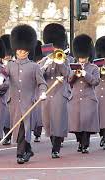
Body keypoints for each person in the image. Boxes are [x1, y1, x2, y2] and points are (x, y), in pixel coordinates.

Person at [5, 24, 47, 164]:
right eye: (19, 50)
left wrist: (42, 93)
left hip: (28, 102)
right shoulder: (10, 65)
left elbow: (42, 83)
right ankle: (28, 150)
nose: (21, 52)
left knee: (24, 128)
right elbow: (3, 76)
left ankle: (20, 154)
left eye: (24, 50)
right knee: (18, 129)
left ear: (28, 51)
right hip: (14, 103)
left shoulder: (34, 66)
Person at [40, 23, 70, 158]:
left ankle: (56, 148)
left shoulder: (65, 59)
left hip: (60, 93)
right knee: (48, 122)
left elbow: (67, 73)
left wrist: (60, 62)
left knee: (58, 121)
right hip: (47, 94)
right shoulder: (44, 60)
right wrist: (45, 65)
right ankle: (54, 142)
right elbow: (38, 76)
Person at [68, 34, 100, 154]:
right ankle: (80, 142)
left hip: (88, 99)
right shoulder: (73, 67)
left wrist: (85, 74)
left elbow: (96, 81)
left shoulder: (93, 68)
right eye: (80, 57)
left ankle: (85, 145)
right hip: (75, 98)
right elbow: (69, 81)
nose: (81, 59)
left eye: (84, 57)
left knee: (86, 123)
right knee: (77, 125)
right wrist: (75, 74)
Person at [0, 34, 13, 145]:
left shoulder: (13, 64)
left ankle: (10, 135)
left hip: (11, 93)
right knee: (4, 117)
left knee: (10, 117)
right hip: (1, 94)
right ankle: (6, 135)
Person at [31, 40, 44, 143]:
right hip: (30, 90)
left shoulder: (43, 62)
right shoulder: (30, 64)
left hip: (39, 89)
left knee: (39, 114)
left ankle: (37, 133)